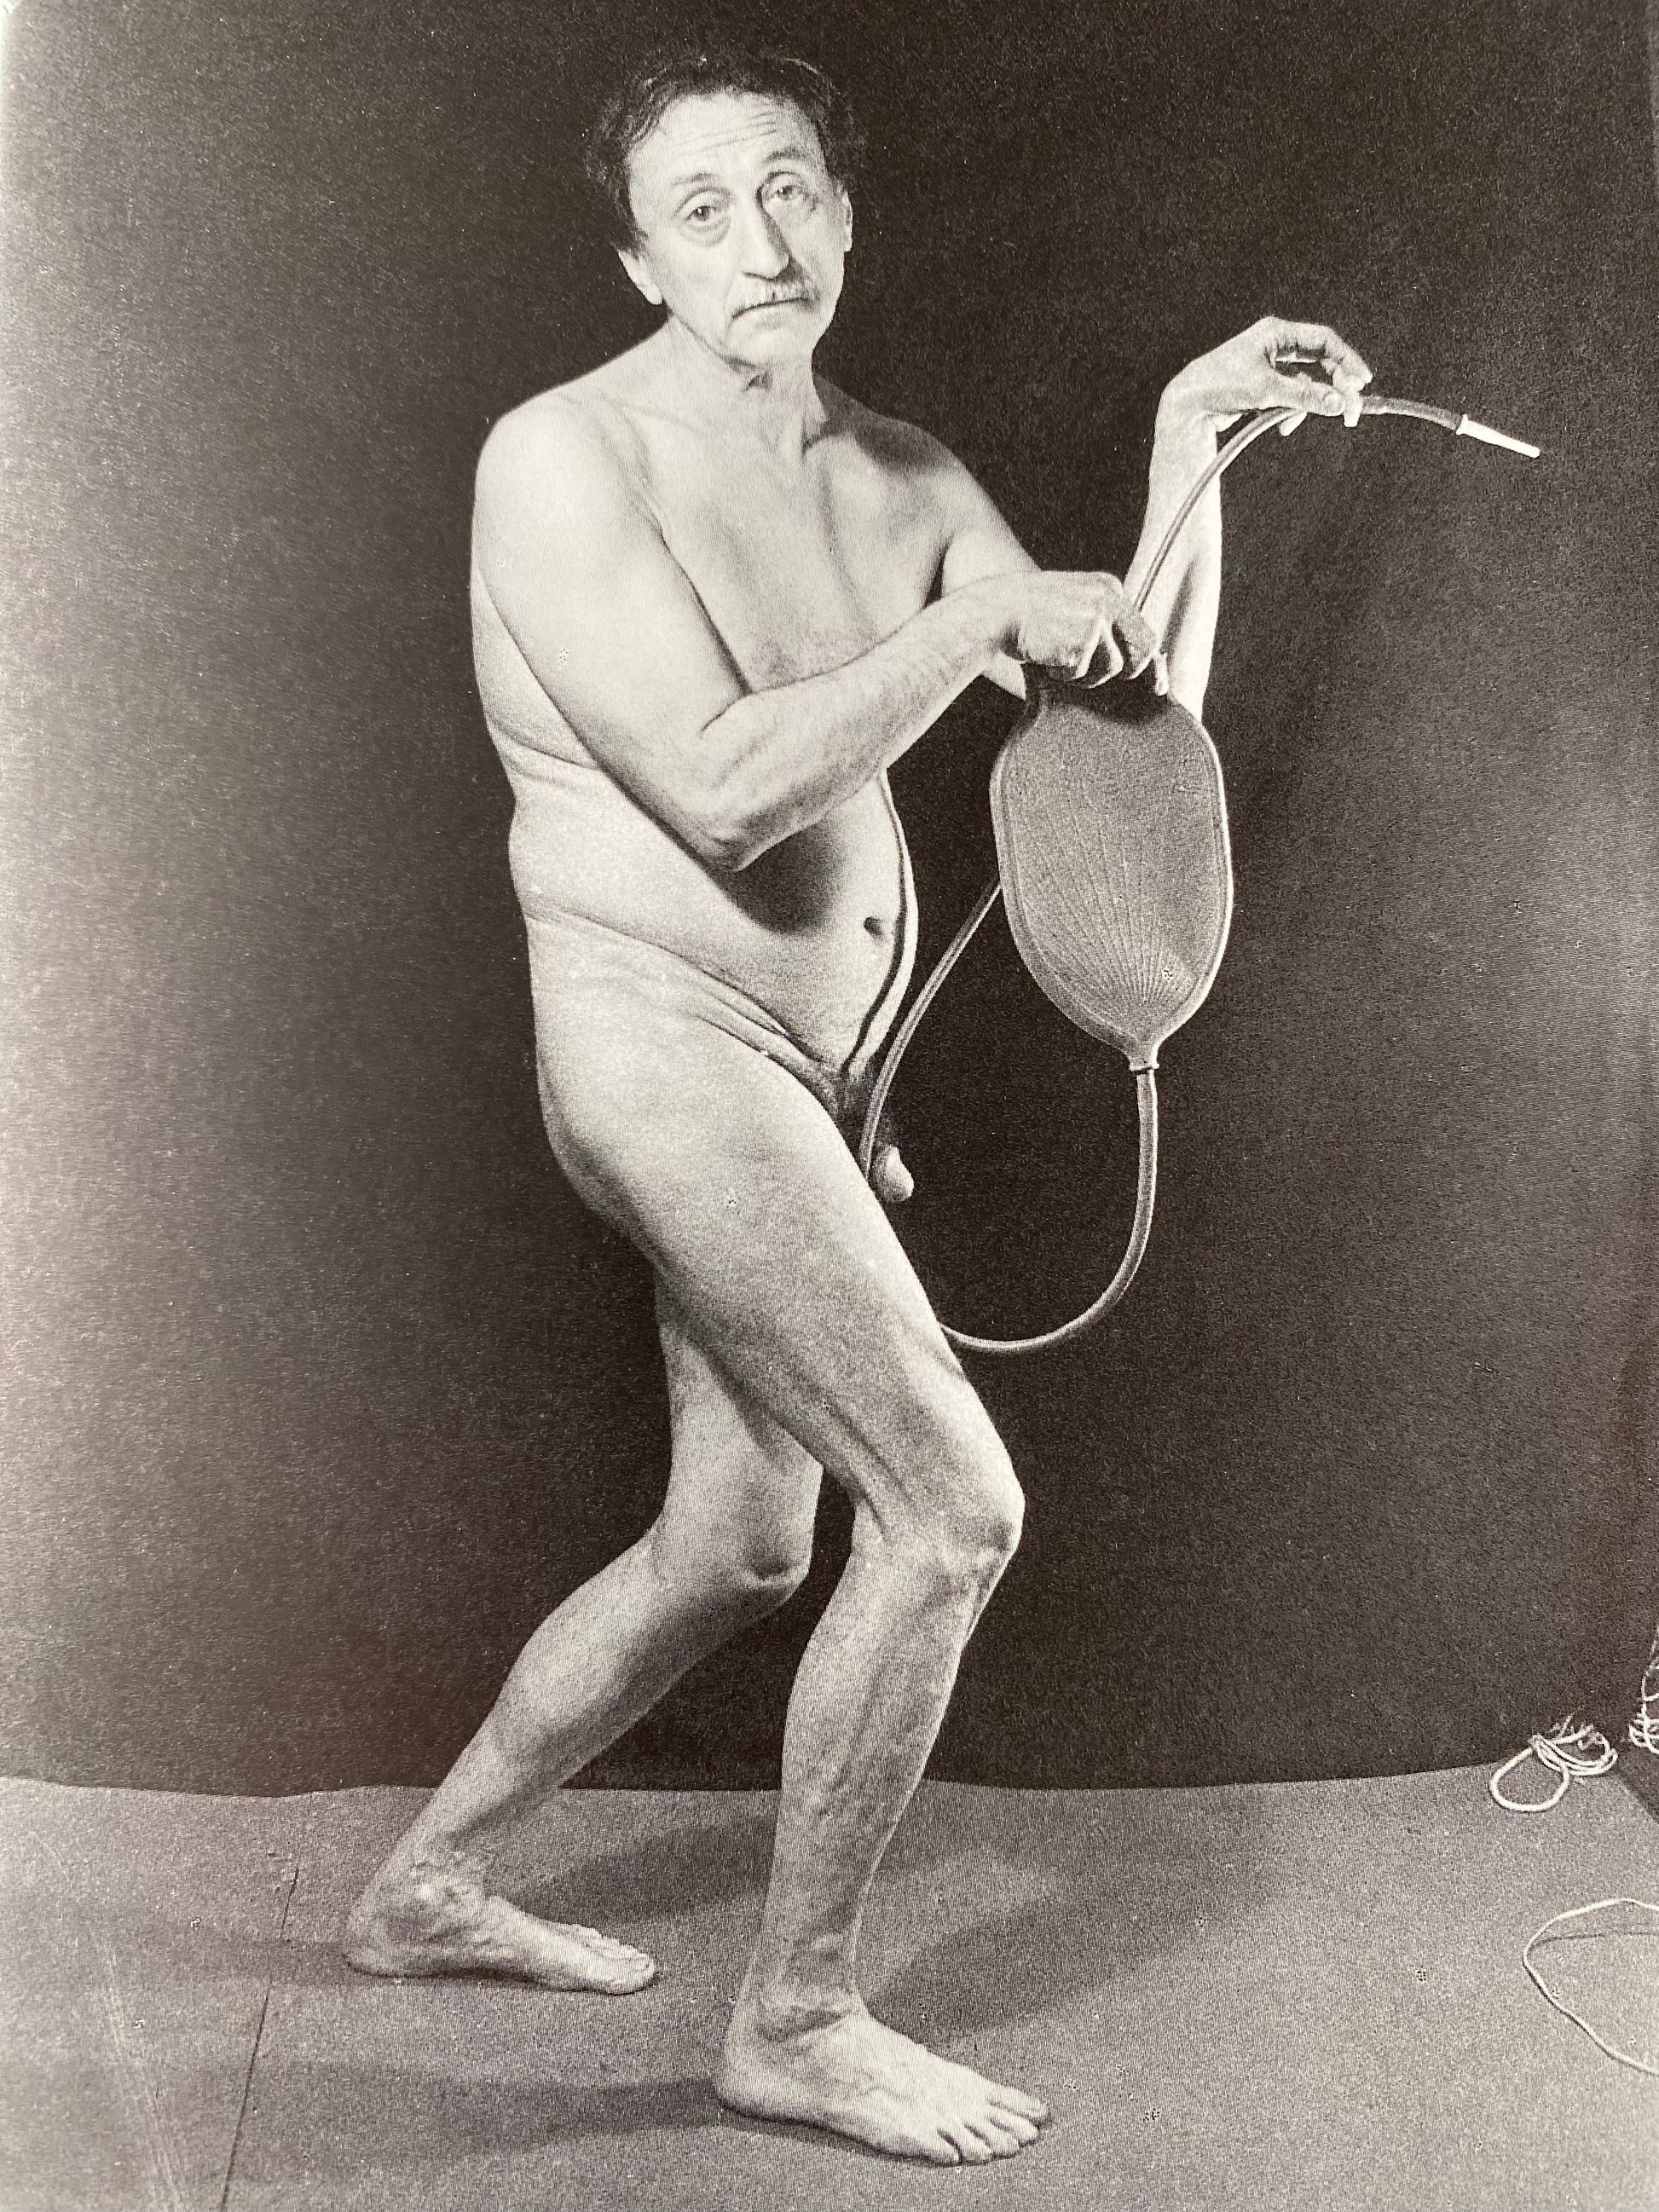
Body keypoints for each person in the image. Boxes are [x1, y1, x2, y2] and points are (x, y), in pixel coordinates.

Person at [342, 41, 1371, 2167]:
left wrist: (1188, 455)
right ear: (637, 259)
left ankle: (423, 1882)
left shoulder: (902, 474)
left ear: (845, 212)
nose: (761, 237)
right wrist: (980, 613)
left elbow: (1122, 718)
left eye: (792, 186)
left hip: (822, 1079)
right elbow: (725, 789)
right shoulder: (562, 458)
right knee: (953, 1508)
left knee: (737, 1542)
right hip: (657, 1049)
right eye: (701, 207)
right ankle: (796, 2014)